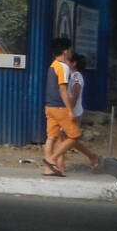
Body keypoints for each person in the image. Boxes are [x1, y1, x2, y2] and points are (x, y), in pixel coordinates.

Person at [42, 38, 79, 176]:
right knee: (74, 136)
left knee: (51, 137)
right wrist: (70, 109)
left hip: (49, 106)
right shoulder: (63, 67)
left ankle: (48, 169)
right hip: (60, 107)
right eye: (68, 49)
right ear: (65, 51)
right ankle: (52, 160)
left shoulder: (53, 65)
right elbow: (62, 89)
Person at [62, 53, 100, 170]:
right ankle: (60, 163)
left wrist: (69, 111)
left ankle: (92, 156)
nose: (65, 63)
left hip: (74, 112)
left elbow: (74, 96)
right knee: (64, 139)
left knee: (69, 140)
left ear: (74, 63)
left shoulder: (76, 77)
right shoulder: (71, 76)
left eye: (67, 61)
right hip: (71, 111)